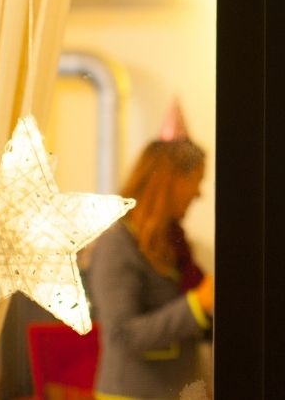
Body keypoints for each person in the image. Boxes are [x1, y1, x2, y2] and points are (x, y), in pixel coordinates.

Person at [88, 139, 214, 400]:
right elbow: (122, 335)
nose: (199, 194)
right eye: (196, 180)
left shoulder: (174, 245)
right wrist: (197, 303)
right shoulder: (117, 244)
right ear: (170, 180)